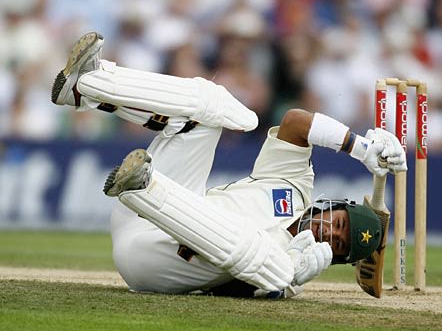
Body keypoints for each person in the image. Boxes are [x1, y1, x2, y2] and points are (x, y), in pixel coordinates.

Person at [52, 32, 407, 298]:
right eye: (340, 225)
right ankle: (87, 87)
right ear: (336, 207)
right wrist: (361, 148)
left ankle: (146, 188)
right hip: (140, 214)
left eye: (340, 244)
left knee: (270, 263)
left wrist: (286, 283)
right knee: (217, 106)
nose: (332, 233)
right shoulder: (295, 185)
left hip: (151, 266)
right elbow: (296, 121)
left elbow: (235, 289)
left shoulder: (294, 268)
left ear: (335, 257)